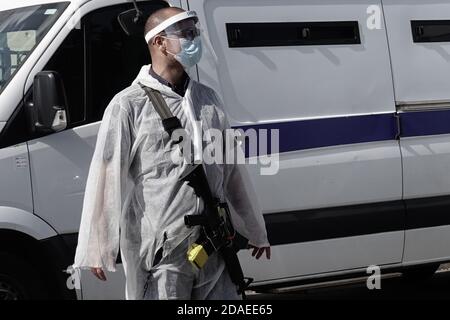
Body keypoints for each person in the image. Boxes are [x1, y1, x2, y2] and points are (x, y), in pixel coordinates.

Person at [72, 6, 270, 300]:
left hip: (213, 246)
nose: (195, 39)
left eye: (196, 32)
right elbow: (106, 177)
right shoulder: (129, 105)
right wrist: (97, 247)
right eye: (185, 33)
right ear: (159, 42)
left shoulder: (208, 99)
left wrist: (255, 229)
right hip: (161, 252)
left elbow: (231, 171)